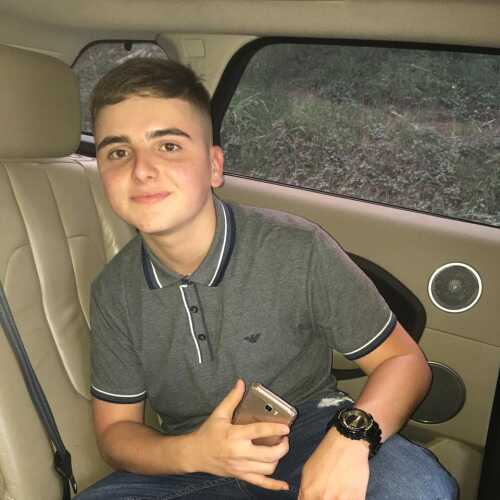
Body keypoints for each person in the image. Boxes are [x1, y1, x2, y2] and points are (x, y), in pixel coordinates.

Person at [76, 57, 458, 500]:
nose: (141, 169)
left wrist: (351, 438)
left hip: (309, 429)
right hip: (189, 459)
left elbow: (403, 362)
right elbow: (115, 433)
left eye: (169, 146)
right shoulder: (114, 292)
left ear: (213, 165)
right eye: (118, 152)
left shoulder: (297, 248)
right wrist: (194, 452)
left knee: (415, 489)